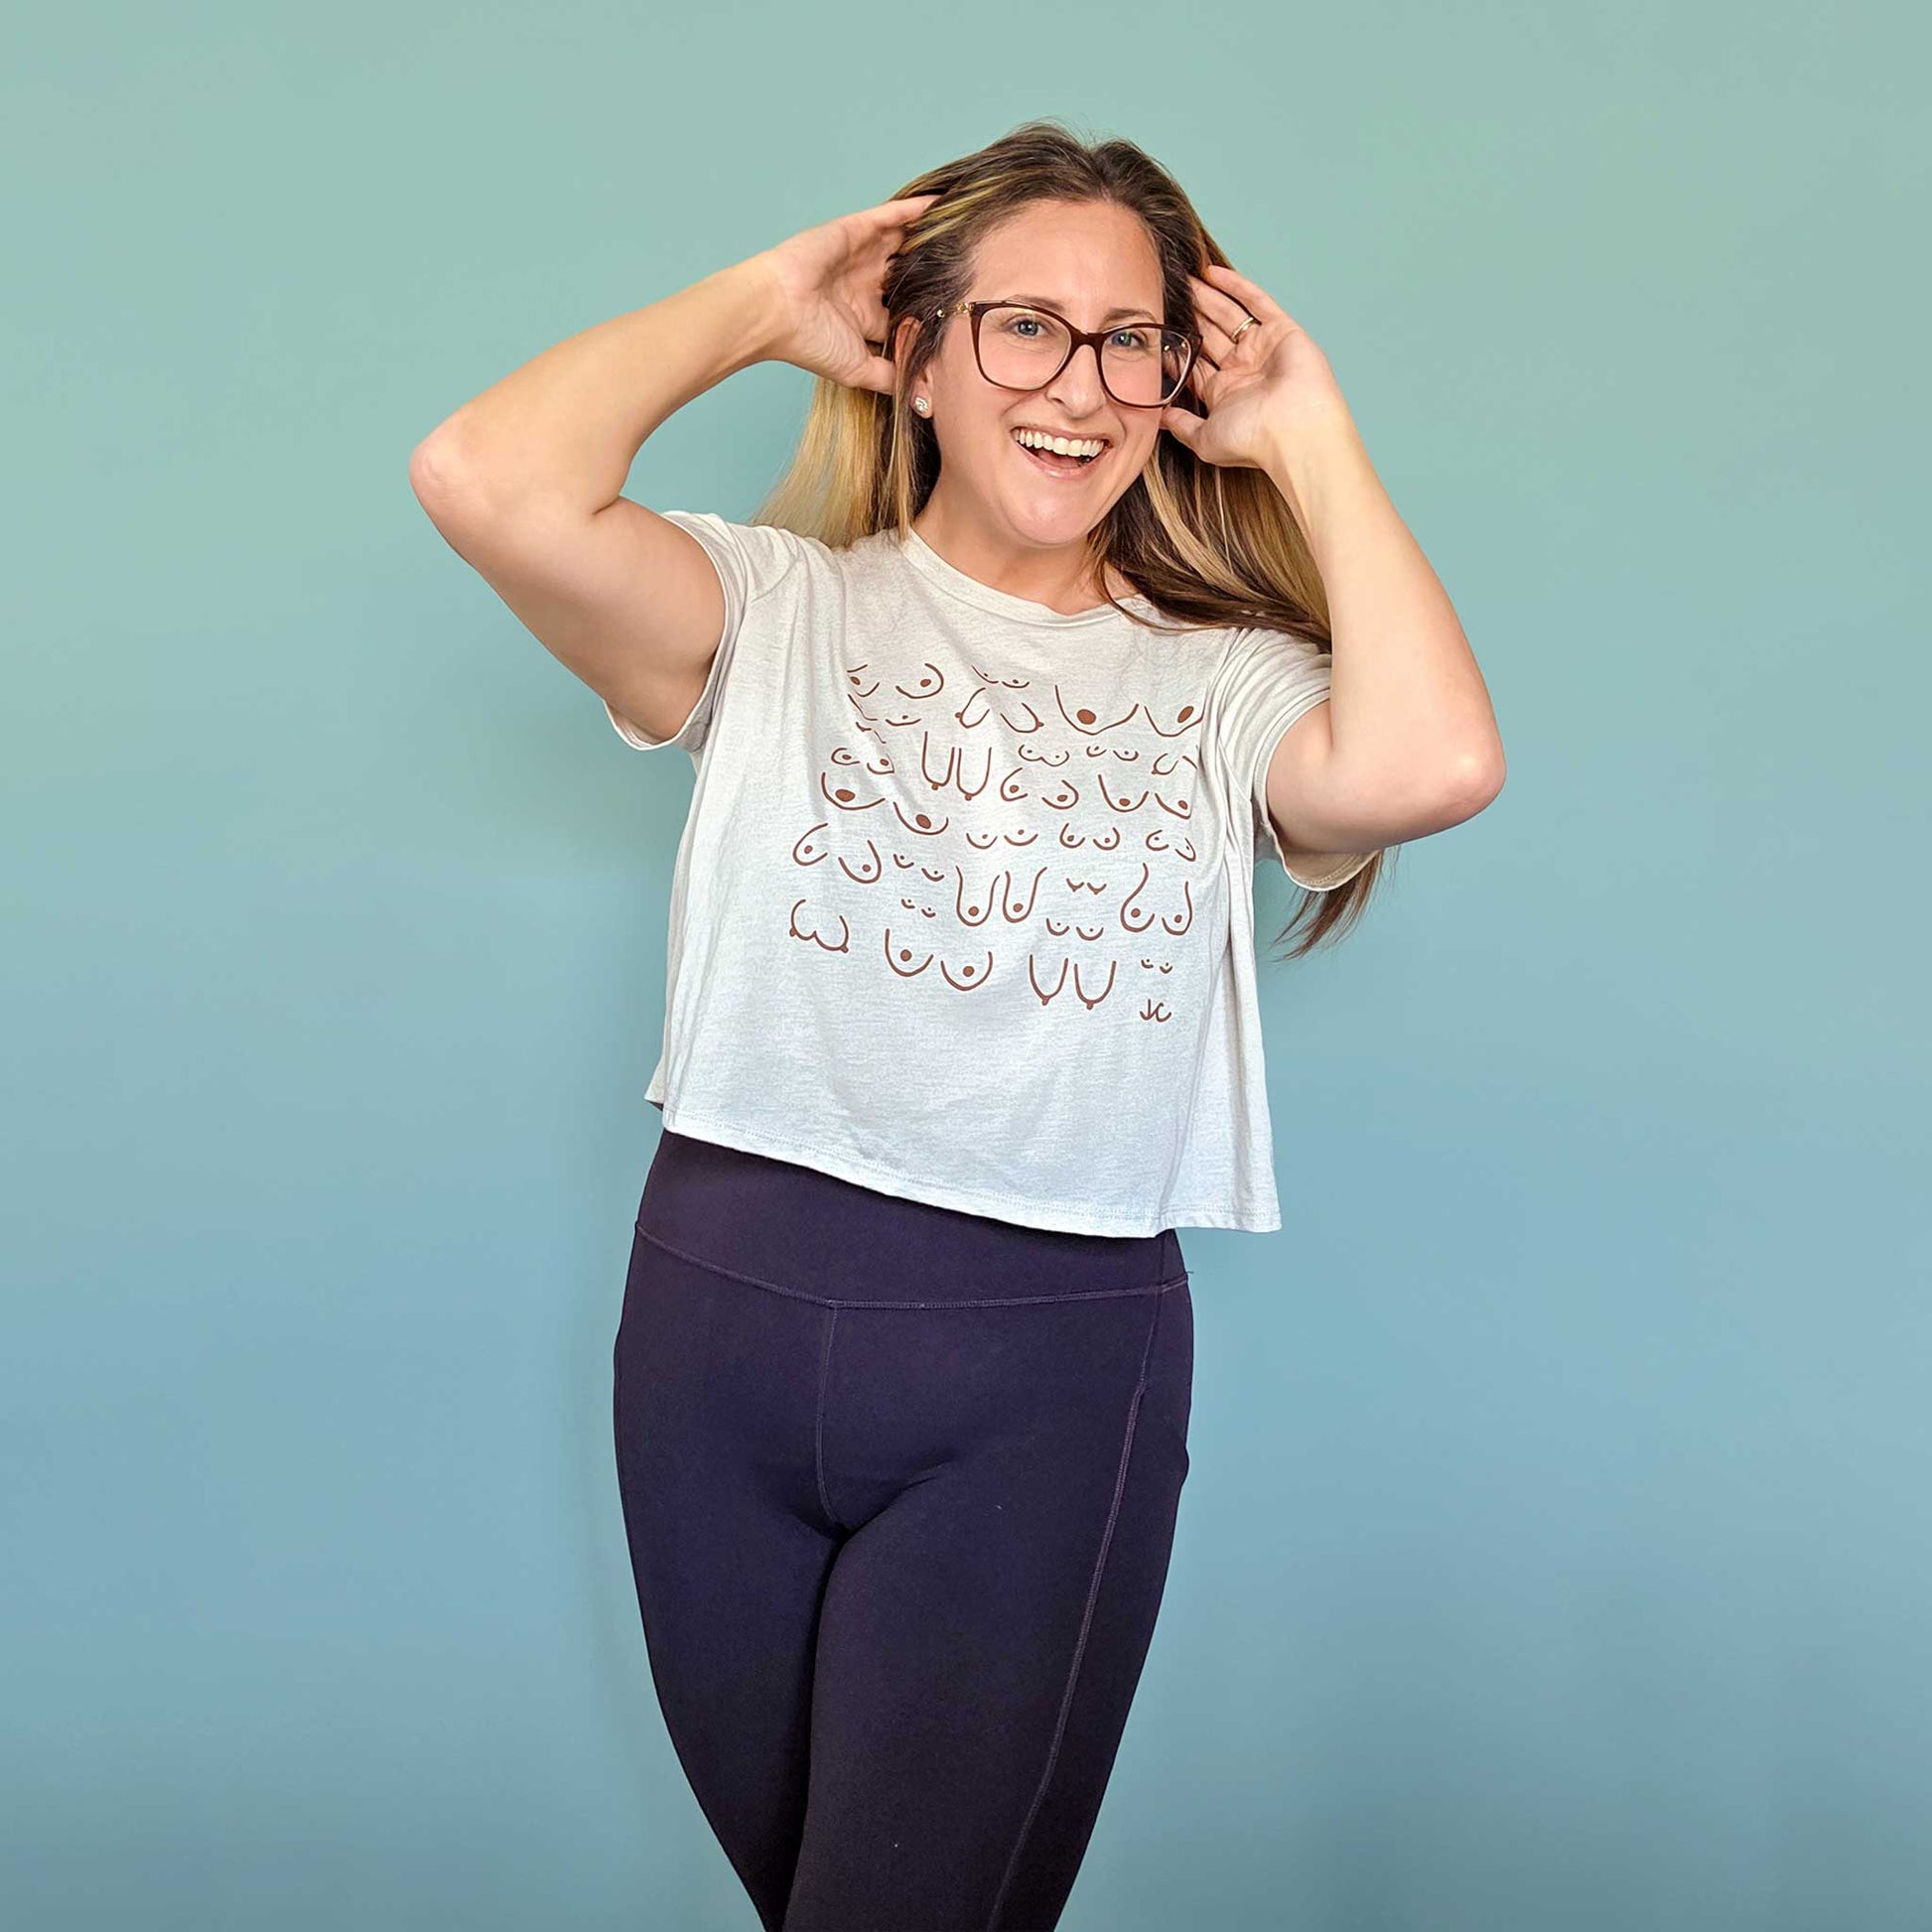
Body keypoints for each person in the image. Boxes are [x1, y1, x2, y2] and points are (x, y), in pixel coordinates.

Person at [410, 118, 1503, 1932]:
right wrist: (767, 301)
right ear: (914, 355)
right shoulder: (768, 612)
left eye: (1127, 340)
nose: (1077, 385)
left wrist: (1308, 432)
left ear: (1180, 376)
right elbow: (482, 476)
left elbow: (1434, 761)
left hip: (1040, 1373)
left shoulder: (1229, 684)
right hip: (712, 1338)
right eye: (1020, 327)